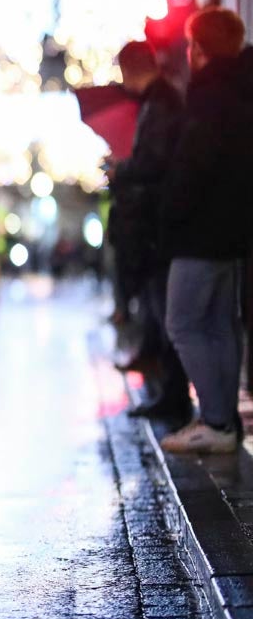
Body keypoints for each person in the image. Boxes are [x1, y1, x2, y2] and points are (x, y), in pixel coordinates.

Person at [158, 8, 253, 454]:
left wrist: (168, 215)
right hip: (233, 230)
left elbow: (192, 167)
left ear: (200, 49)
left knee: (184, 322)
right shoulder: (241, 91)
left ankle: (216, 420)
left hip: (200, 230)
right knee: (220, 325)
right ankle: (223, 421)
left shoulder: (209, 96)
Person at [104, 41, 189, 421]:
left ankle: (175, 396)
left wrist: (121, 170)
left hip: (157, 223)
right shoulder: (160, 101)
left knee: (168, 311)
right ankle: (170, 391)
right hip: (158, 222)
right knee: (162, 310)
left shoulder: (160, 104)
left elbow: (154, 162)